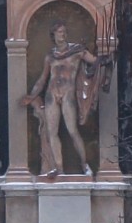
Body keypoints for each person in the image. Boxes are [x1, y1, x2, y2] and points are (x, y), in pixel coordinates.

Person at [22, 22, 108, 179]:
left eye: (64, 31)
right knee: (51, 132)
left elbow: (95, 61)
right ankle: (59, 169)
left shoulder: (77, 51)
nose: (63, 34)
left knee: (72, 130)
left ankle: (84, 165)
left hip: (68, 94)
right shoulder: (50, 56)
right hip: (51, 94)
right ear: (53, 35)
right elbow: (43, 78)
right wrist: (32, 96)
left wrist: (105, 60)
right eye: (60, 32)